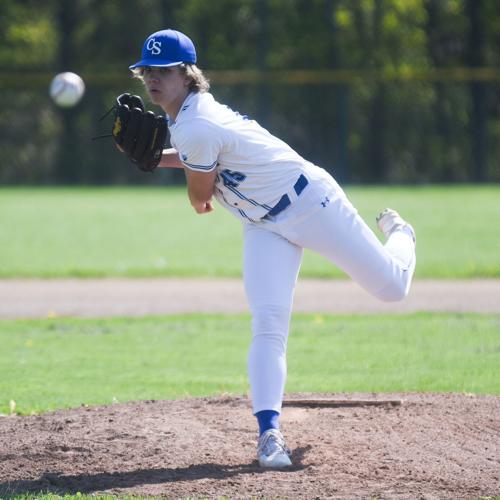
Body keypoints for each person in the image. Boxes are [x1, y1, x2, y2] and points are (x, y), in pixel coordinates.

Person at [121, 29, 416, 468]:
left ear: (186, 74)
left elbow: (200, 196)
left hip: (311, 204)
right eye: (146, 69)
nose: (152, 78)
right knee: (268, 322)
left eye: (163, 70)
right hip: (262, 224)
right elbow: (201, 156)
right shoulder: (188, 121)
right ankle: (269, 435)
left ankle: (402, 234)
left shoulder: (197, 123)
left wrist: (152, 158)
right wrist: (156, 157)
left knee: (392, 287)